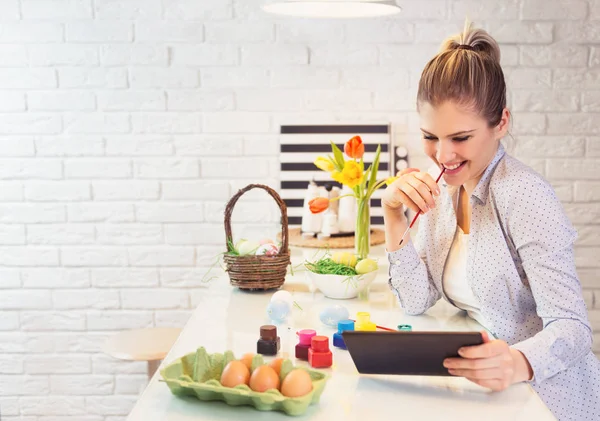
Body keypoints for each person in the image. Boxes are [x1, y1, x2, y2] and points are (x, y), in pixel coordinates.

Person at [382, 21, 600, 420]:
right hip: (489, 396)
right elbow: (415, 300)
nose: (442, 155)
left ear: (500, 123)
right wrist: (393, 214)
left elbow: (573, 330)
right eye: (430, 136)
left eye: (460, 138)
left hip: (548, 398)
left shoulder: (524, 195)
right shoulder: (445, 188)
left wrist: (517, 361)